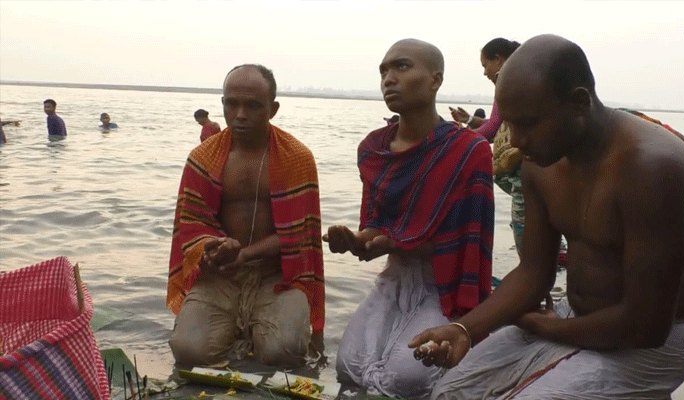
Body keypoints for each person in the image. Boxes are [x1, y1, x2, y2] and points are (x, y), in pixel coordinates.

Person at [410, 34, 684, 399]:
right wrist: (463, 330)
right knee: (449, 392)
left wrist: (543, 327)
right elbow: (534, 272)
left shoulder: (653, 168)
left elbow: (647, 326)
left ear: (579, 103)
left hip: (661, 338)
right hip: (572, 317)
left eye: (528, 124)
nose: (515, 141)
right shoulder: (541, 163)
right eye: (509, 124)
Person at [325, 39, 494, 398]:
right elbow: (375, 228)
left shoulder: (469, 151)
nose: (389, 78)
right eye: (384, 71)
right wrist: (355, 241)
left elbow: (468, 243)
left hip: (442, 285)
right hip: (395, 278)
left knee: (406, 380)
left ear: (435, 80)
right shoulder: (374, 148)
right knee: (348, 367)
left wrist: (396, 242)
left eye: (401, 67)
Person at [167, 64, 325, 368]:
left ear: (272, 109)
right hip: (221, 275)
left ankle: (257, 329)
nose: (240, 115)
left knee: (283, 352)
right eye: (231, 104)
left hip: (276, 276)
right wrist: (215, 246)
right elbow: (191, 224)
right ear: (222, 104)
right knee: (188, 351)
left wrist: (245, 254)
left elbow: (299, 235)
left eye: (252, 105)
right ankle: (239, 330)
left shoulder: (297, 157)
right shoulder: (203, 157)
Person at [449, 38, 520, 141]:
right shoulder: (520, 79)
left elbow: (492, 128)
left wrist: (459, 136)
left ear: (497, 59)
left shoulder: (507, 85)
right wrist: (469, 119)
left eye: (485, 66)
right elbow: (497, 123)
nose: (485, 73)